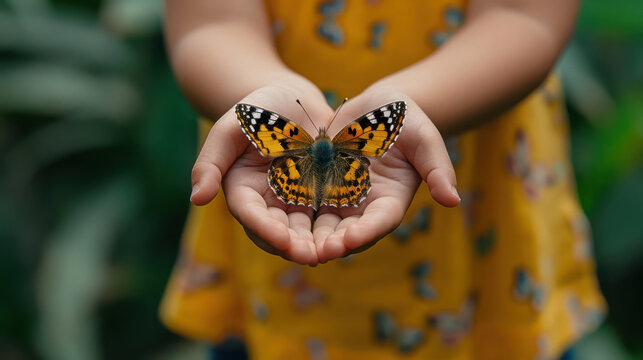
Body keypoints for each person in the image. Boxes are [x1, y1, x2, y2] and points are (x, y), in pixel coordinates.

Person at [160, 0, 606, 359]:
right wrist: (258, 91)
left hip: (486, 236)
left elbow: (523, 17)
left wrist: (413, 101)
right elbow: (210, 23)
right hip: (276, 285)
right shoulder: (361, 138)